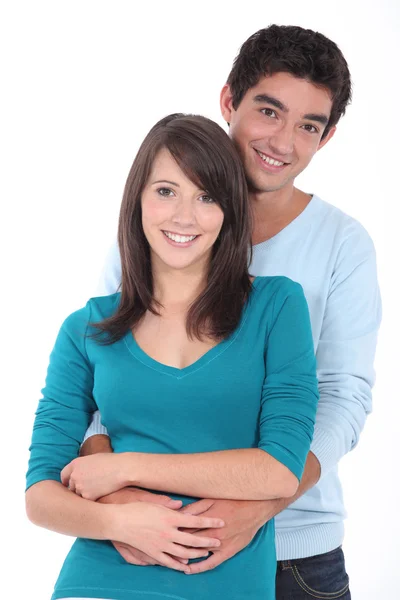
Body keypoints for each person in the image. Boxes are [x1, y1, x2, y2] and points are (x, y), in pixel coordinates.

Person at [81, 25, 382, 599]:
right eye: (269, 111)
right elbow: (102, 381)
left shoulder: (342, 244)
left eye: (309, 126)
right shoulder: (155, 229)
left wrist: (258, 502)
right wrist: (121, 502)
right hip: (149, 542)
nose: (283, 141)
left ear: (329, 135)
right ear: (228, 102)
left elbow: (344, 396)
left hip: (293, 552)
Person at [26, 113, 319, 600]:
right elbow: (40, 497)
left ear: (229, 211)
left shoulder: (278, 307)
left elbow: (279, 469)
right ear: (137, 198)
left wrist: (125, 468)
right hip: (99, 579)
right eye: (166, 191)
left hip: (225, 579)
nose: (183, 216)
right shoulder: (86, 328)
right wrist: (116, 520)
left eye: (206, 197)